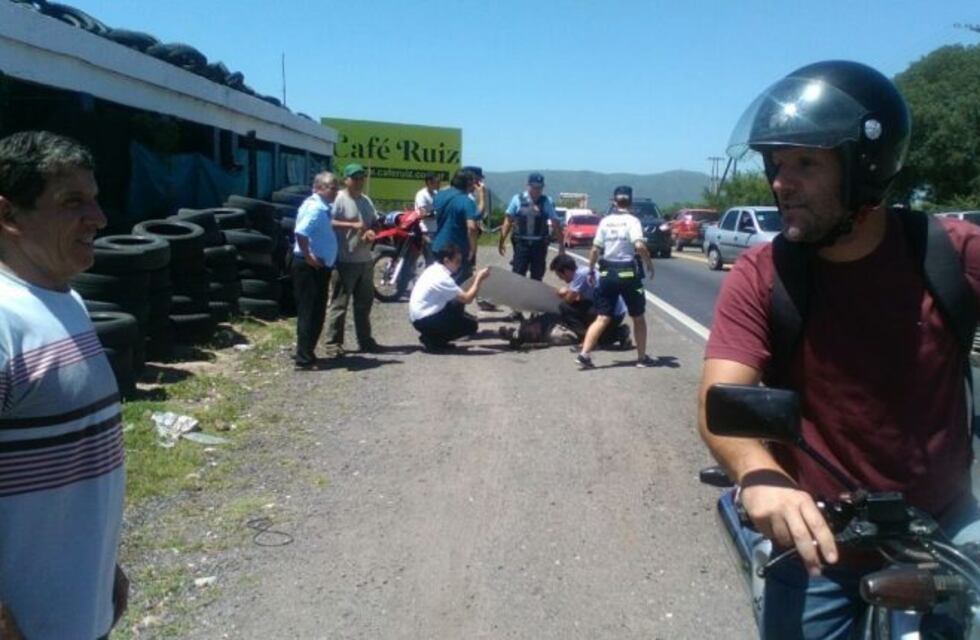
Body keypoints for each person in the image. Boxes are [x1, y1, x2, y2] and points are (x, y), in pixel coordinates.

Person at [697, 60, 980, 638]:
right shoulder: (763, 273)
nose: (781, 180)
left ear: (866, 167)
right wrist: (760, 474)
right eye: (777, 163)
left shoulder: (952, 253)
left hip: (945, 531)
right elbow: (720, 398)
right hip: (818, 538)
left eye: (805, 162)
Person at [0, 131, 127, 639]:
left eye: (94, 200)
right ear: (9, 216)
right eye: (72, 202)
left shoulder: (65, 301)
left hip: (78, 610)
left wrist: (103, 570)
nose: (97, 218)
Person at [576, 185, 655, 369]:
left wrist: (590, 270)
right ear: (630, 201)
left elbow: (595, 249)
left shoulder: (605, 221)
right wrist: (649, 264)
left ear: (614, 201)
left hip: (607, 273)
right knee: (638, 316)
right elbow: (640, 246)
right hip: (628, 272)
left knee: (603, 316)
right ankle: (642, 358)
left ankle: (584, 354)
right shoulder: (633, 221)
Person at [324, 163, 381, 354]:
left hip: (365, 259)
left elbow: (374, 223)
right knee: (340, 304)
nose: (358, 181)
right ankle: (333, 343)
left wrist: (372, 232)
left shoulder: (366, 200)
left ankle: (365, 340)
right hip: (344, 260)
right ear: (346, 180)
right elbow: (328, 222)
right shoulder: (338, 199)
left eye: (361, 178)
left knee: (364, 303)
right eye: (354, 178)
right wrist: (351, 225)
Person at [292, 171, 340, 369]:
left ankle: (308, 352)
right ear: (319, 188)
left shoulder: (320, 206)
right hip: (309, 267)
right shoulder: (316, 209)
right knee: (310, 312)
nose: (336, 191)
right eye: (331, 187)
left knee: (317, 311)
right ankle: (303, 357)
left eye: (336, 188)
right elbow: (301, 232)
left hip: (318, 266)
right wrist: (309, 256)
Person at [409, 243, 490, 352]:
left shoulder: (434, 269)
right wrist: (479, 278)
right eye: (457, 262)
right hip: (424, 319)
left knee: (456, 304)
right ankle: (434, 340)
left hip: (419, 316)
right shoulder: (442, 278)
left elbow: (458, 296)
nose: (459, 265)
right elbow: (467, 299)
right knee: (471, 326)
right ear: (446, 261)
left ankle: (433, 337)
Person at [549, 253, 630, 347]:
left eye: (560, 275)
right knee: (603, 340)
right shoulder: (582, 271)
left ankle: (586, 339)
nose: (560, 279)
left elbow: (568, 301)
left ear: (566, 271)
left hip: (610, 313)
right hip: (616, 312)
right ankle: (620, 332)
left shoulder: (580, 275)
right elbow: (581, 298)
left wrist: (562, 293)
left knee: (564, 307)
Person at [498, 172, 564, 281]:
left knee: (537, 276)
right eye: (534, 187)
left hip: (539, 245)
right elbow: (508, 221)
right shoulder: (517, 199)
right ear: (528, 185)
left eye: (540, 187)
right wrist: (501, 241)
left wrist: (561, 246)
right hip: (521, 244)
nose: (537, 190)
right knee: (518, 275)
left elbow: (555, 223)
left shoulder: (547, 201)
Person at [430, 169, 481, 284]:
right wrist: (473, 250)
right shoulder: (466, 201)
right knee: (457, 290)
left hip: (437, 247)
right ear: (468, 184)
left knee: (439, 285)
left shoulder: (439, 196)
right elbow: (472, 228)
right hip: (456, 252)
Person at [414, 171, 441, 264]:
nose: (439, 184)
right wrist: (436, 213)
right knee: (430, 259)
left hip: (436, 231)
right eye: (437, 182)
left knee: (436, 260)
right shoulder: (421, 195)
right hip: (425, 231)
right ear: (429, 182)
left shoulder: (436, 193)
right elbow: (422, 214)